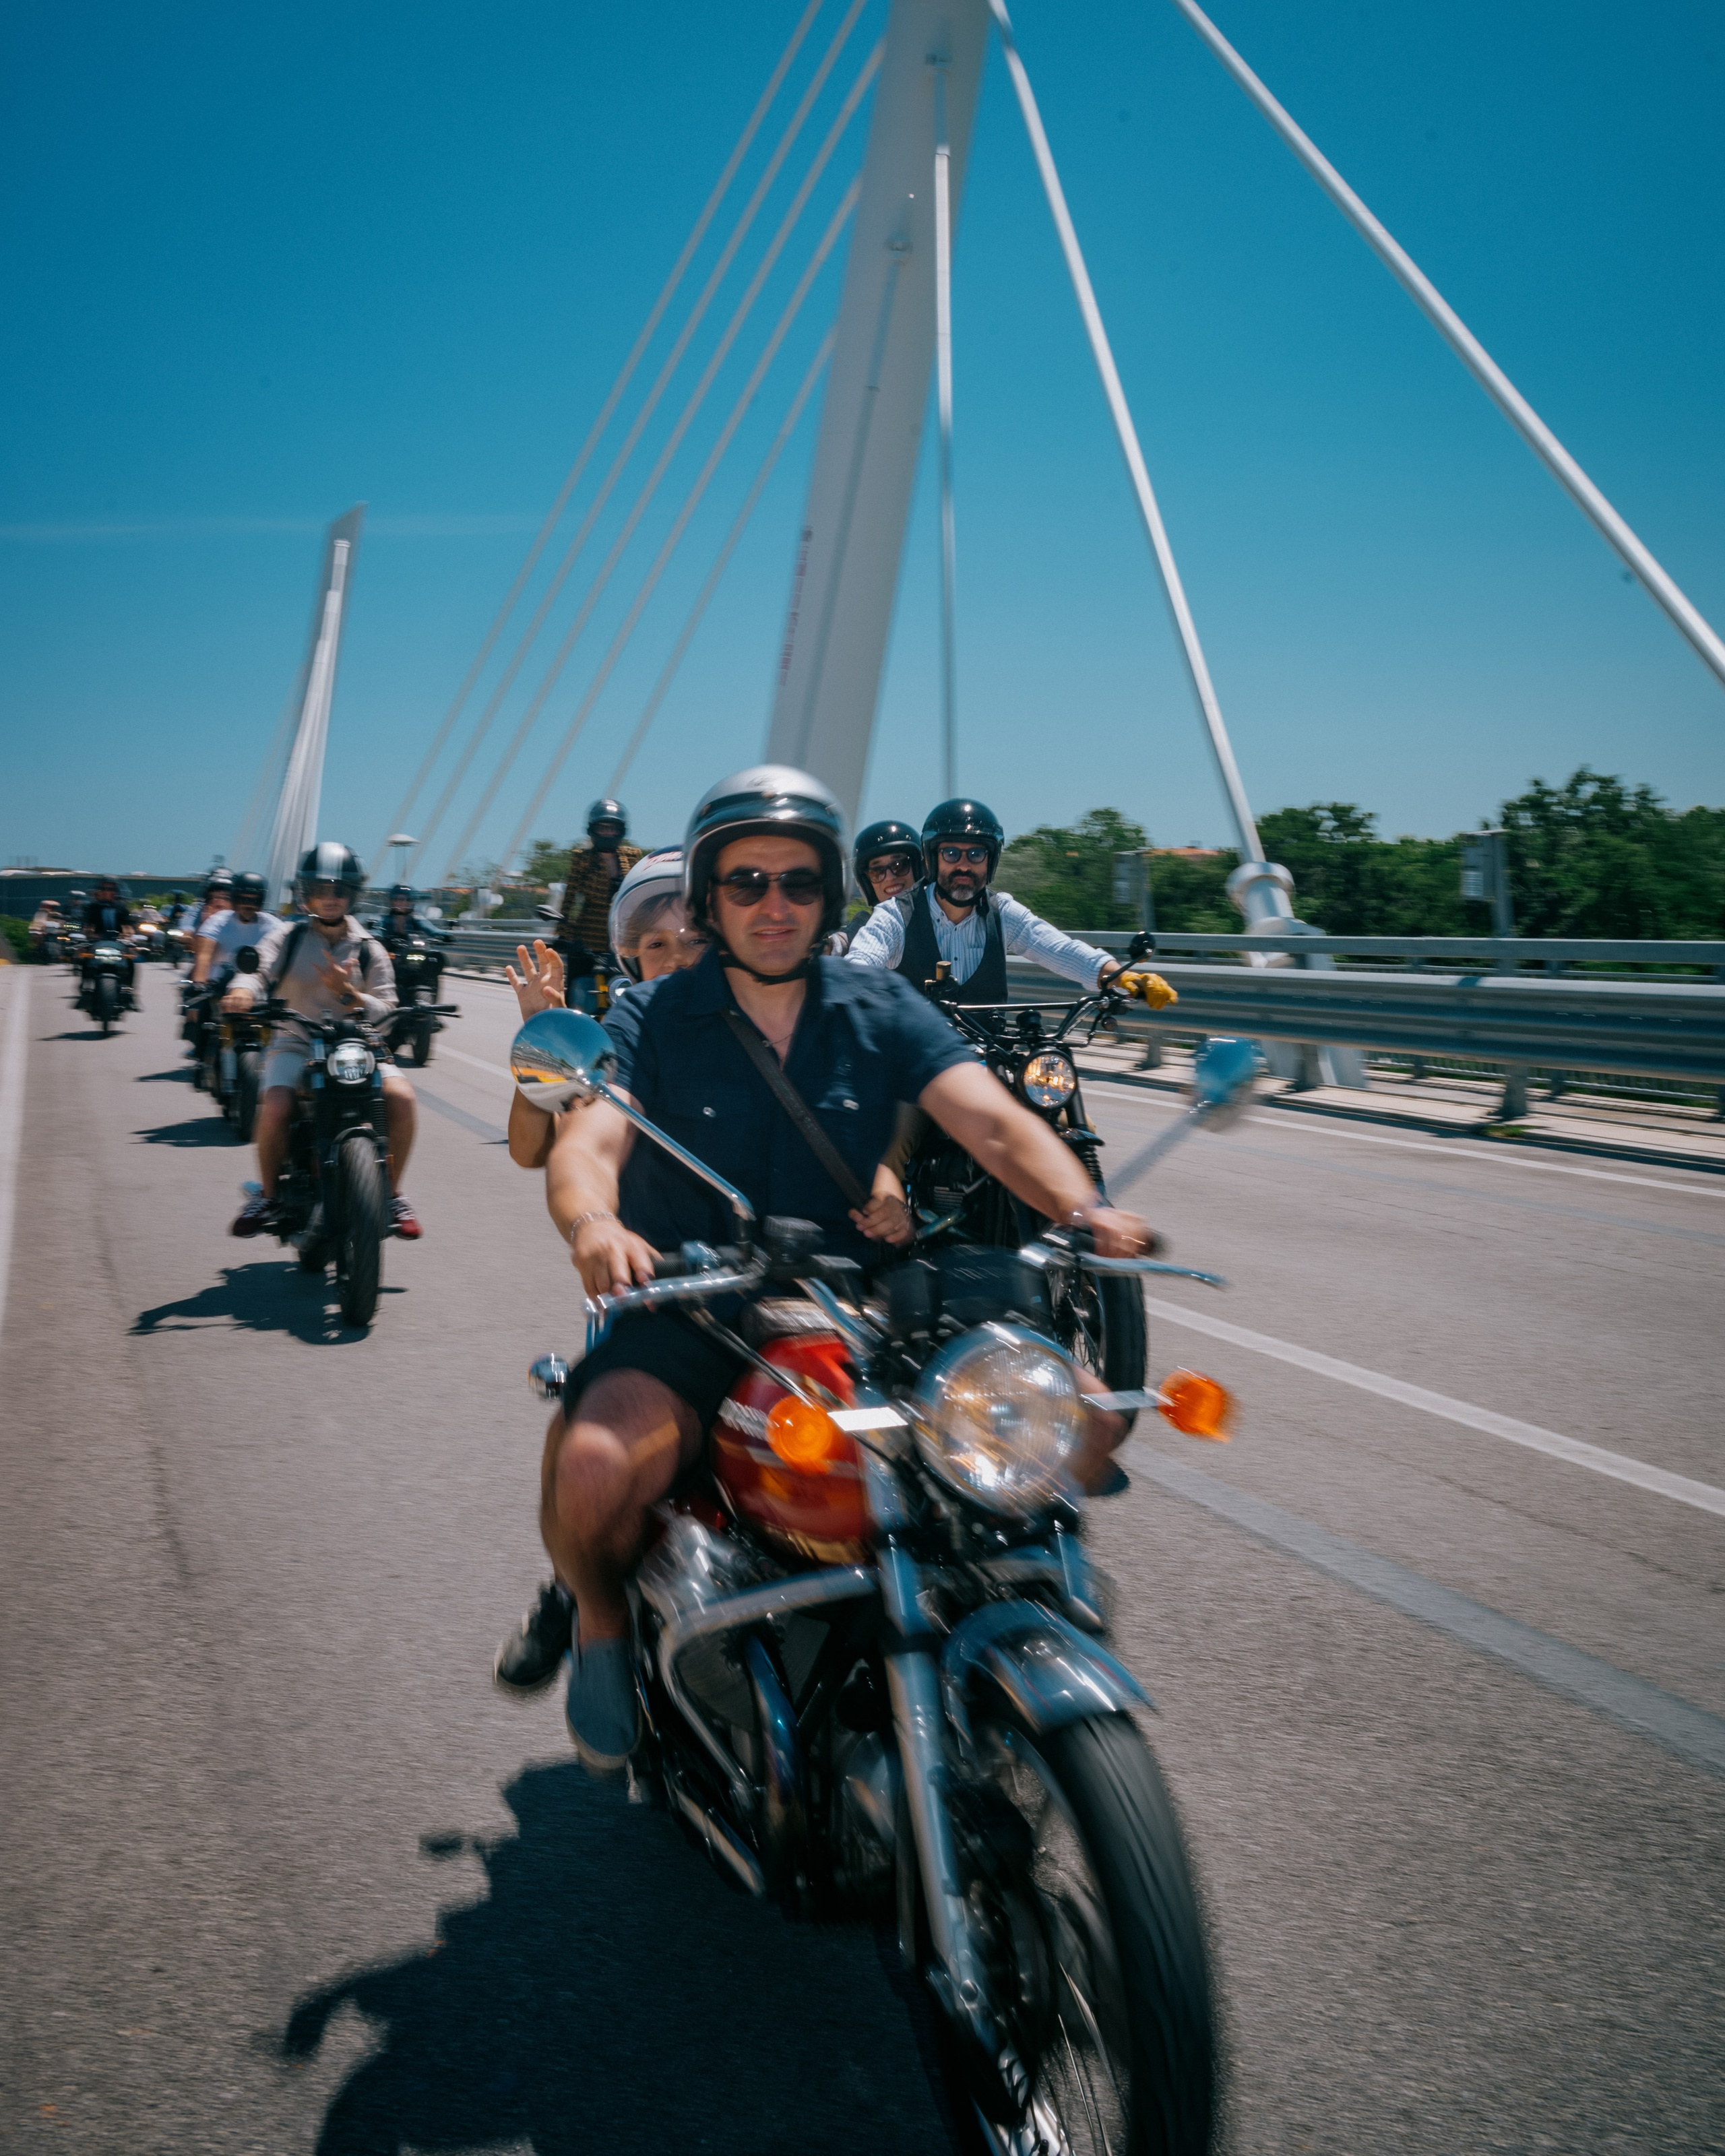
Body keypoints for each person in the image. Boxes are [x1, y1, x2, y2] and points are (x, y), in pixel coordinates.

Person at [493, 765, 1152, 1769]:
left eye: (799, 883)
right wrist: (593, 1225)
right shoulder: (654, 1018)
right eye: (748, 882)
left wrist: (1085, 1205)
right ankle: (598, 1623)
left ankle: (1025, 1598)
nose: (775, 904)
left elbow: (993, 1121)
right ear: (712, 896)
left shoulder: (877, 1006)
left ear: (829, 895)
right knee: (591, 1470)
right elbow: (585, 1141)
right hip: (697, 1303)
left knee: (1083, 1416)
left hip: (860, 1295)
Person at [221, 843, 422, 1241]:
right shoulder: (288, 937)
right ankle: (269, 1194)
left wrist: (350, 995)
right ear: (305, 893)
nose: (330, 899)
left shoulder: (370, 949)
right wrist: (242, 991)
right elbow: (256, 970)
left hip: (358, 1047)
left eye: (339, 891)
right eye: (321, 890)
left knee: (403, 1099)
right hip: (296, 1042)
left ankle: (391, 1193)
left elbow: (388, 1009)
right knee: (277, 1104)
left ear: (352, 895)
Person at [846, 797, 1125, 1003]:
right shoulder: (896, 915)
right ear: (933, 859)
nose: (964, 866)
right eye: (951, 854)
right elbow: (864, 959)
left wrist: (1118, 975)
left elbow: (1061, 949)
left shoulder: (1002, 913)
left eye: (976, 854)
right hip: (917, 1067)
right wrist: (852, 987)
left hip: (990, 1059)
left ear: (990, 862)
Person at [555, 798, 644, 1001]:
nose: (608, 833)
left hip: (622, 934)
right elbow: (570, 897)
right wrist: (564, 935)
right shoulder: (582, 859)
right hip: (587, 936)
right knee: (577, 990)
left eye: (612, 829)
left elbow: (638, 893)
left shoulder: (632, 856)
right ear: (592, 830)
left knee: (636, 990)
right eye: (603, 828)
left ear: (621, 831)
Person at [191, 871, 280, 986]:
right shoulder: (218, 921)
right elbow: (204, 956)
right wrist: (199, 984)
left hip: (258, 989)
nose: (249, 905)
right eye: (244, 900)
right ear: (234, 899)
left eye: (255, 901)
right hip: (216, 986)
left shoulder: (275, 926)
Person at [851, 818, 922, 910]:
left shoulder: (943, 920)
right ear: (867, 884)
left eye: (899, 865)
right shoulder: (867, 924)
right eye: (877, 871)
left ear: (918, 869)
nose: (890, 878)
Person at [375, 884, 450, 955]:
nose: (402, 902)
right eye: (398, 899)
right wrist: (374, 935)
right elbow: (377, 930)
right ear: (392, 901)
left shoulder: (416, 918)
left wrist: (444, 935)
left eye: (407, 899)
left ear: (411, 902)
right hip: (389, 953)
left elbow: (431, 929)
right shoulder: (385, 920)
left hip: (411, 952)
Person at [189, 872, 234, 939]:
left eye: (226, 898)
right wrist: (205, 924)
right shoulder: (198, 914)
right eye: (211, 899)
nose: (219, 903)